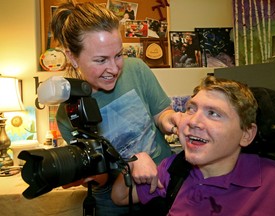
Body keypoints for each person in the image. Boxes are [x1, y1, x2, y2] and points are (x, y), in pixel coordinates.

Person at [51, 1, 180, 215]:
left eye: (118, 55)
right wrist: (84, 175)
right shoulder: (68, 114)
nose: (114, 68)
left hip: (164, 189)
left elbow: (161, 114)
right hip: (116, 205)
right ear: (73, 57)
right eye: (101, 60)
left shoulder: (136, 69)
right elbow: (100, 179)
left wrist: (171, 120)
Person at [112, 76, 275, 215]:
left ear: (246, 134)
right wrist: (134, 162)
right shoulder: (174, 169)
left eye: (213, 113)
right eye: (191, 109)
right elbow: (119, 197)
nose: (193, 121)